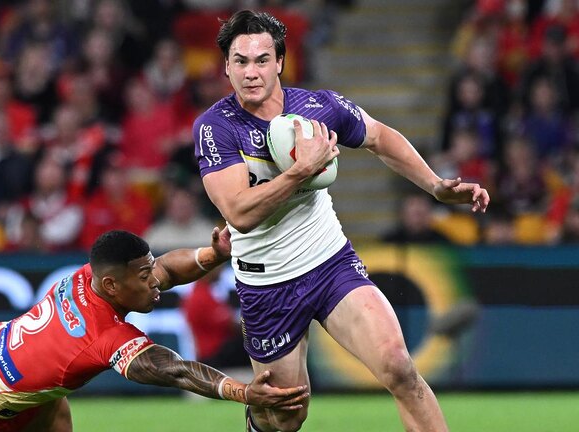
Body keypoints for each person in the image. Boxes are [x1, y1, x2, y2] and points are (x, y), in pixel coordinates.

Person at [193, 10, 490, 432]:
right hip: (266, 284)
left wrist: (435, 186)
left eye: (262, 60)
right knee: (285, 416)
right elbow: (239, 214)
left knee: (399, 367)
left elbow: (379, 136)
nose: (251, 72)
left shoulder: (317, 107)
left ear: (280, 61)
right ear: (226, 67)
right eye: (240, 61)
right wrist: (300, 171)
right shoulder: (216, 128)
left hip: (330, 263)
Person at [0, 228, 309, 432]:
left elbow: (168, 270)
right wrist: (245, 393)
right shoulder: (104, 337)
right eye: (145, 277)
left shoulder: (89, 277)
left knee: (56, 413)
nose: (154, 283)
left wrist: (215, 255)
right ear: (112, 287)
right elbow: (173, 369)